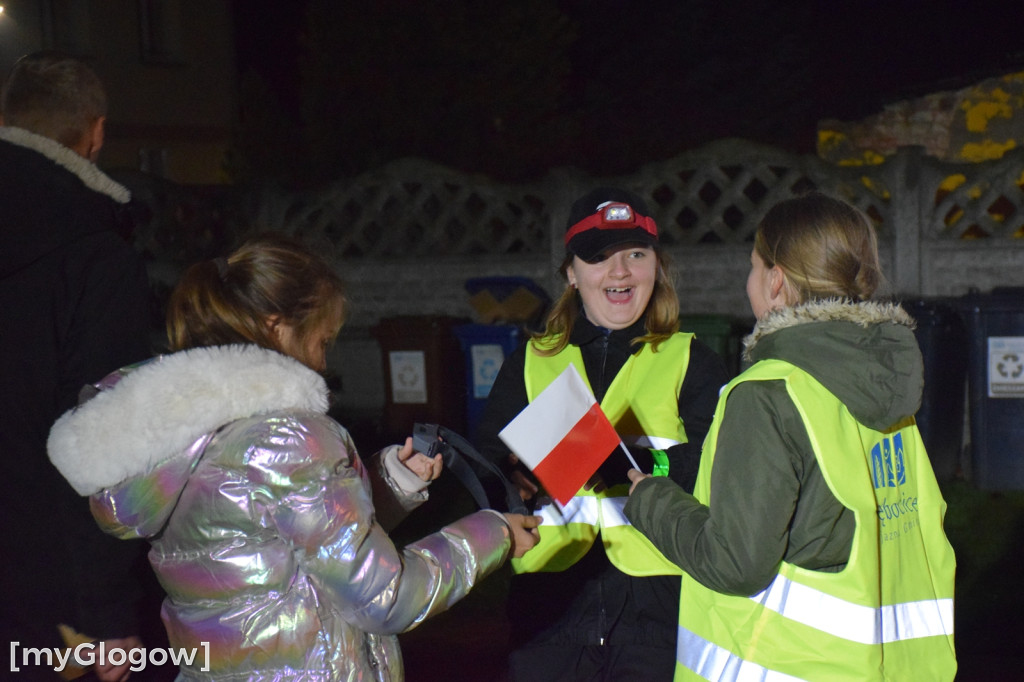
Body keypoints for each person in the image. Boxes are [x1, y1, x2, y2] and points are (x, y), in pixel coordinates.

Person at [47, 234, 543, 680]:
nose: (325, 362)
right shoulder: (285, 437)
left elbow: (293, 547)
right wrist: (492, 532)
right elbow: (383, 598)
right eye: (323, 340)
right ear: (276, 326)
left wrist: (389, 482)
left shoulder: (180, 430)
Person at [625, 192, 957, 681]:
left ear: (776, 281)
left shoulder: (767, 394)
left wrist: (649, 498)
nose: (750, 281)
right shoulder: (883, 379)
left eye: (754, 266)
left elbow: (736, 563)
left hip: (779, 664)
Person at [474, 188, 730, 681]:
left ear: (657, 266)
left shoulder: (692, 360)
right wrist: (515, 478)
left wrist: (633, 464)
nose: (620, 271)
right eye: (599, 257)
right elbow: (488, 476)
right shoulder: (530, 361)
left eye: (636, 254)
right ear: (571, 273)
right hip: (549, 608)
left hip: (658, 607)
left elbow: (719, 468)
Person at [0, 51, 153, 681]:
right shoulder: (94, 257)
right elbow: (98, 440)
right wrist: (105, 612)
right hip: (49, 595)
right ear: (95, 132)